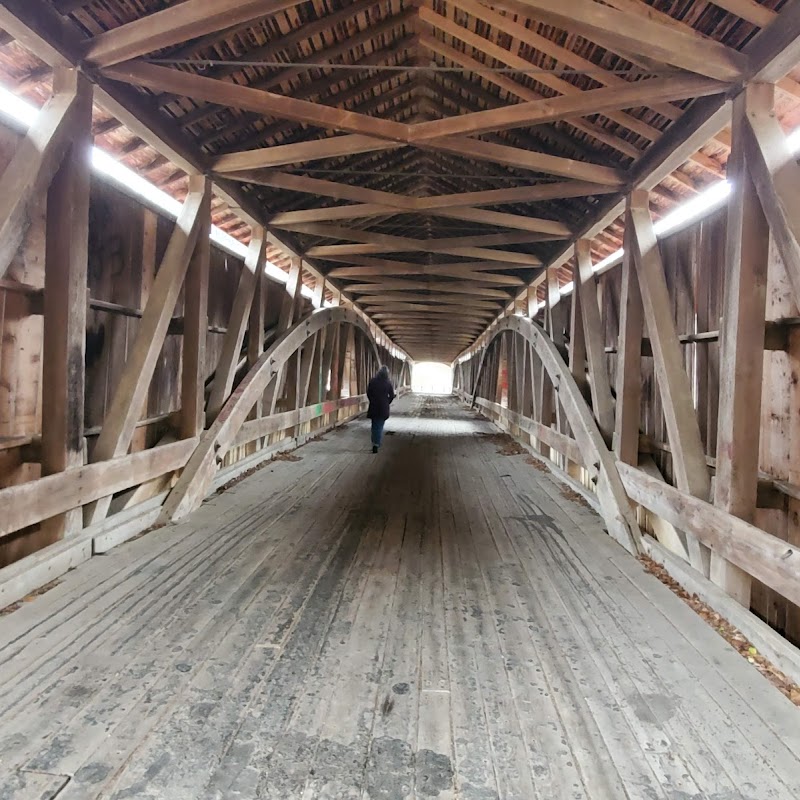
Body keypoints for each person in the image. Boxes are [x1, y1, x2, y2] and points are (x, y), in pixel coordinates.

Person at [367, 365, 395, 453]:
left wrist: (372, 400)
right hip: (383, 407)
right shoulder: (388, 383)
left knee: (374, 425)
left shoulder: (373, 381)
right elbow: (392, 395)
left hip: (374, 406)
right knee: (379, 426)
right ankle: (376, 443)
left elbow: (368, 393)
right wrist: (387, 402)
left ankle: (374, 442)